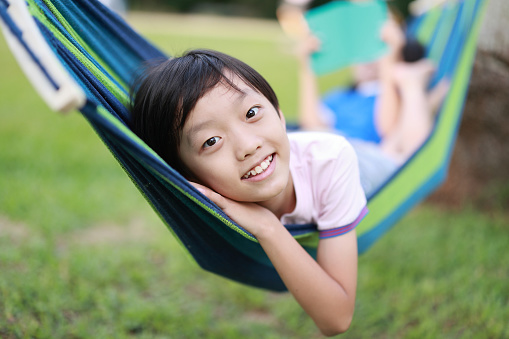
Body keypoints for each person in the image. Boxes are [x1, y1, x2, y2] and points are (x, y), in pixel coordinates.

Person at [130, 49, 367, 336]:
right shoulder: (207, 196)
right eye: (211, 141)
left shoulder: (331, 161)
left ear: (279, 115)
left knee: (400, 147)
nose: (247, 146)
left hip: (369, 161)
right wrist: (267, 226)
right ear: (187, 176)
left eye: (252, 113)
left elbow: (337, 319)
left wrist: (267, 226)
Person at [296, 19, 450, 195]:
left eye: (376, 51)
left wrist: (388, 61)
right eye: (363, 51)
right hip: (324, 150)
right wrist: (307, 66)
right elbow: (310, 123)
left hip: (355, 158)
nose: (367, 60)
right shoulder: (341, 96)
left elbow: (387, 129)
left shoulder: (393, 96)